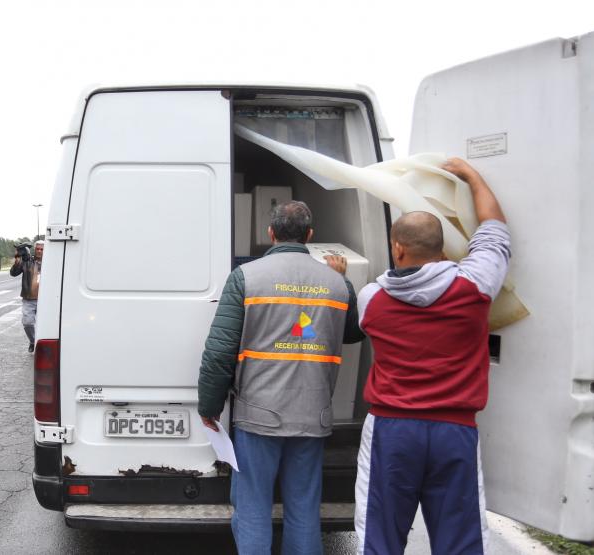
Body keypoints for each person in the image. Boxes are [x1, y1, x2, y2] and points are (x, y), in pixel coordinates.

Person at [354, 158, 510, 554]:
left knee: (381, 538)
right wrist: (472, 176)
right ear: (442, 250)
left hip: (392, 429)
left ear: (398, 248)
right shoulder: (474, 286)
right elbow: (494, 233)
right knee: (460, 542)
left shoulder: (371, 299)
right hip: (454, 430)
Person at [198, 201, 364, 554]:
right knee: (304, 511)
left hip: (258, 416)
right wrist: (343, 280)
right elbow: (351, 334)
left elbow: (219, 351)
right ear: (310, 236)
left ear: (270, 233)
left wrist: (209, 405)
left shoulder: (246, 277)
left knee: (254, 510)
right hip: (313, 416)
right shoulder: (337, 285)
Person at [10, 240, 43, 352]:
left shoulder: (50, 262)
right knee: (27, 323)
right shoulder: (27, 261)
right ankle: (33, 341)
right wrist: (17, 260)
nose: (39, 251)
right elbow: (13, 273)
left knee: (46, 325)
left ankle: (42, 344)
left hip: (46, 300)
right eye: (37, 249)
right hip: (29, 299)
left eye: (42, 249)